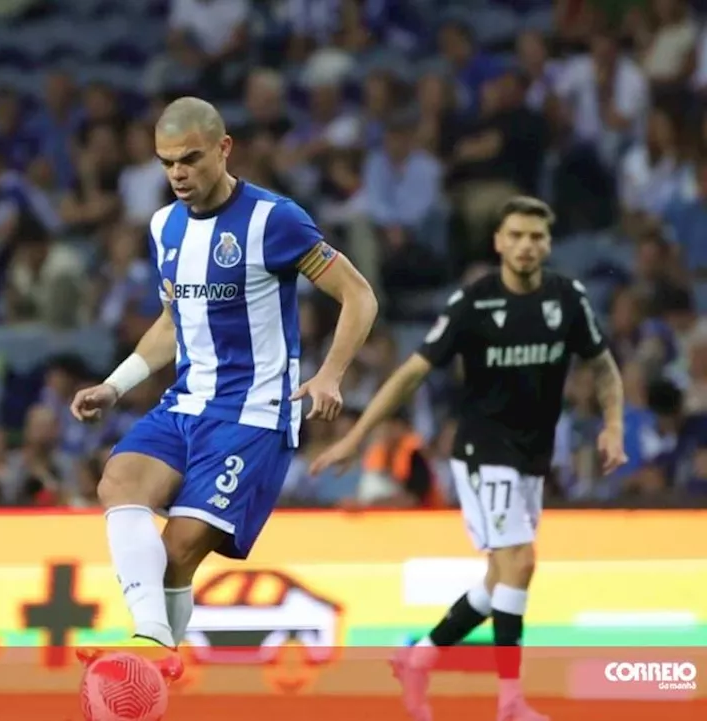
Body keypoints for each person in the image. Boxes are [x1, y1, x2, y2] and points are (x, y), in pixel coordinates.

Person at [70, 97, 378, 677]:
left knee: (179, 551)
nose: (178, 174)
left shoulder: (274, 220)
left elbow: (359, 295)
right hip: (186, 402)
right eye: (167, 163)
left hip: (254, 414)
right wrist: (116, 385)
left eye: (190, 159)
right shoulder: (164, 226)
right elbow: (172, 322)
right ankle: (154, 647)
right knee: (118, 482)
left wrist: (331, 372)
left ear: (224, 148)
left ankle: (153, 649)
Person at [310, 196, 627, 721]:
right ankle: (510, 703)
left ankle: (419, 659)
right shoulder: (473, 304)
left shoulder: (567, 298)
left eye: (536, 237)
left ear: (547, 244)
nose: (526, 245)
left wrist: (613, 426)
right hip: (483, 451)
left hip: (531, 455)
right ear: (499, 242)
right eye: (516, 236)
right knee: (520, 563)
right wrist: (356, 438)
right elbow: (410, 373)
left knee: (499, 578)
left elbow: (605, 368)